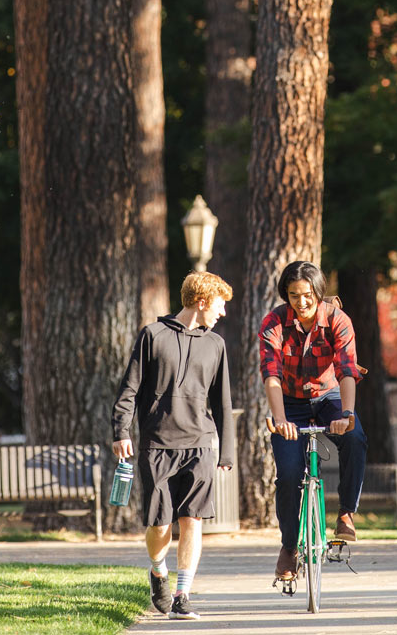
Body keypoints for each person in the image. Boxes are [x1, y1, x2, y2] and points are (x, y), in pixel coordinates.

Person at [111, 271, 236, 620]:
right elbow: (129, 390)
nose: (222, 313)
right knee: (160, 525)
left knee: (192, 520)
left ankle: (182, 593)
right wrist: (121, 431)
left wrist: (225, 451)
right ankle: (158, 570)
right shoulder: (152, 335)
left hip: (200, 445)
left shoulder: (216, 345)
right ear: (202, 301)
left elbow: (222, 402)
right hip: (158, 444)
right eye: (220, 305)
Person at [261, 260, 368, 581]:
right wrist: (280, 419)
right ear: (286, 295)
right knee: (289, 473)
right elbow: (271, 374)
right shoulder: (274, 322)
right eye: (294, 295)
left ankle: (346, 513)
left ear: (318, 292)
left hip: (329, 396)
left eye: (307, 294)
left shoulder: (338, 320)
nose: (301, 301)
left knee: (355, 437)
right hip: (289, 402)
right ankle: (289, 547)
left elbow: (347, 369)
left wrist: (347, 415)